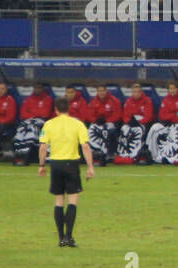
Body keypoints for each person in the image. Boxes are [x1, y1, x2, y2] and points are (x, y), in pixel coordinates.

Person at [38, 95, 96, 248]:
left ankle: (60, 237)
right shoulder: (78, 124)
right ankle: (69, 236)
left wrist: (42, 165)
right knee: (73, 201)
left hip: (55, 164)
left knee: (58, 201)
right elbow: (85, 146)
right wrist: (90, 167)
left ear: (56, 110)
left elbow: (43, 147)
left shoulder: (48, 125)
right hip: (71, 164)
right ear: (69, 109)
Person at [15, 84, 54, 165]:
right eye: (35, 88)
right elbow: (23, 113)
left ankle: (28, 155)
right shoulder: (29, 99)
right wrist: (34, 116)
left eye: (39, 88)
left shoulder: (48, 99)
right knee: (22, 131)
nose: (37, 90)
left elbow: (45, 113)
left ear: (43, 89)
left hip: (43, 122)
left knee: (33, 130)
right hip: (29, 122)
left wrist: (33, 114)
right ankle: (21, 155)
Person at [117, 83, 155, 163]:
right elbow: (125, 116)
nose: (136, 94)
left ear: (141, 92)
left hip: (142, 124)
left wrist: (139, 122)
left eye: (138, 92)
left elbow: (148, 116)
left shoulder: (147, 101)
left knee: (138, 131)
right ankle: (123, 153)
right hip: (131, 123)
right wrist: (129, 122)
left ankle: (136, 154)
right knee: (124, 129)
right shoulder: (129, 101)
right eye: (134, 92)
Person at [86, 84, 122, 165]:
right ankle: (94, 152)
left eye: (103, 90)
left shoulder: (114, 100)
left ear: (106, 91)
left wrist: (107, 121)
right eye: (99, 91)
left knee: (110, 130)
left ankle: (110, 153)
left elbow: (118, 114)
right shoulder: (94, 101)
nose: (101, 93)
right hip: (97, 123)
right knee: (91, 129)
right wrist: (95, 120)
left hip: (110, 122)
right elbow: (89, 114)